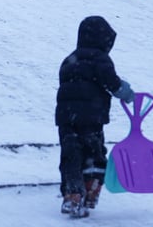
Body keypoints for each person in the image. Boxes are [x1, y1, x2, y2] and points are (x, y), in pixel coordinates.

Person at [55, 15, 135, 218]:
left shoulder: (69, 59)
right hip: (91, 117)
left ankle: (72, 195)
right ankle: (90, 192)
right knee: (94, 153)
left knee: (71, 156)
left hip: (66, 118)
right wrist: (125, 92)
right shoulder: (100, 59)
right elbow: (111, 82)